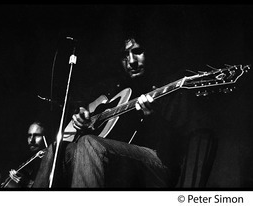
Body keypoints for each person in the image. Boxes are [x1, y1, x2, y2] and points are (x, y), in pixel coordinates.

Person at [33, 32, 209, 188]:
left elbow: (176, 146)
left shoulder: (169, 85)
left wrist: (152, 117)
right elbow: (84, 106)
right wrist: (83, 116)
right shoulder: (117, 87)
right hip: (119, 161)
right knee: (56, 150)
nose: (131, 61)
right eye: (125, 55)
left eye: (137, 52)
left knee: (89, 143)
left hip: (158, 165)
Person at [0, 121, 49, 188]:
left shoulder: (50, 160)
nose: (31, 140)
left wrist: (28, 183)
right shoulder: (25, 158)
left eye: (37, 135)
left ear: (46, 137)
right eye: (29, 136)